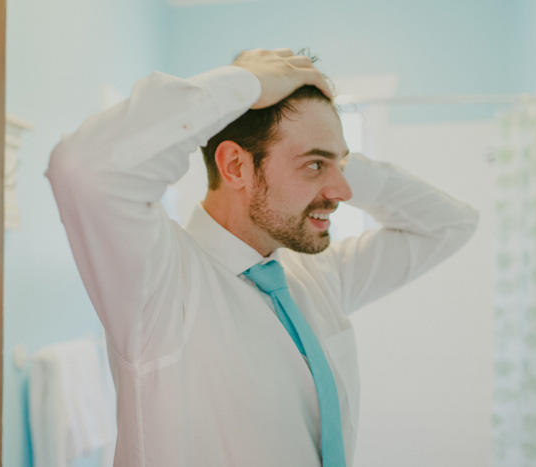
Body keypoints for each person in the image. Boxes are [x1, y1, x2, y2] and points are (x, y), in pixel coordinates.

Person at [46, 48, 478, 467]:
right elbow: (87, 168)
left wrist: (332, 157)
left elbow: (449, 224)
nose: (343, 193)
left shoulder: (316, 274)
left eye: (339, 167)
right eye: (313, 165)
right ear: (235, 167)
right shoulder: (163, 282)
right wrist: (246, 83)